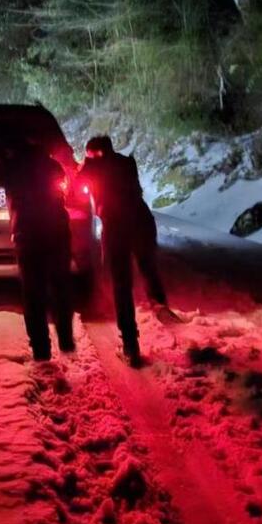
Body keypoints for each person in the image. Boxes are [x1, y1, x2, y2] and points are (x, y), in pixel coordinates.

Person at [78, 135, 169, 366]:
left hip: (117, 227)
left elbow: (78, 183)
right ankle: (160, 306)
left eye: (89, 154)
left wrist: (88, 164)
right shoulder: (127, 162)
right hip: (142, 221)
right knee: (148, 266)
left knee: (121, 285)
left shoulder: (94, 168)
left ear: (94, 153)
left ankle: (130, 344)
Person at [0, 140, 75, 361]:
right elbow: (63, 188)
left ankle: (41, 351)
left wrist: (1, 158)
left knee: (34, 294)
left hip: (28, 235)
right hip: (57, 232)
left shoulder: (11, 167)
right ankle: (66, 340)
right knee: (60, 286)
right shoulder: (53, 165)